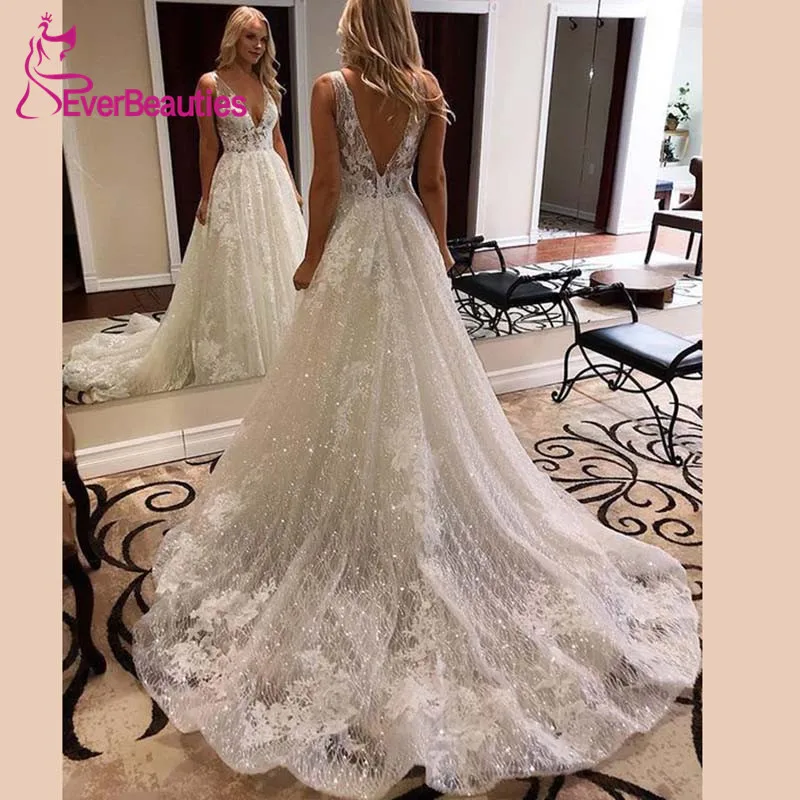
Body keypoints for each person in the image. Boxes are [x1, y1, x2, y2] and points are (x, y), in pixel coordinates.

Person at [132, 1, 701, 797]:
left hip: (355, 241)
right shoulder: (426, 88)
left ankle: (358, 496)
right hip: (404, 235)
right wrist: (438, 250)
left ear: (355, 25)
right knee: (424, 383)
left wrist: (311, 258)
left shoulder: (330, 89)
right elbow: (432, 182)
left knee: (342, 377)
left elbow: (326, 183)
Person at [62, 6, 306, 402]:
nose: (259, 46)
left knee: (279, 260)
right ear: (233, 37)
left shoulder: (267, 84)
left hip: (272, 183)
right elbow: (208, 144)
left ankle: (285, 346)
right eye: (251, 37)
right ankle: (240, 346)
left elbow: (277, 140)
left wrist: (292, 187)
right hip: (235, 182)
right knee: (237, 266)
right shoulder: (210, 84)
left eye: (263, 39)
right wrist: (207, 195)